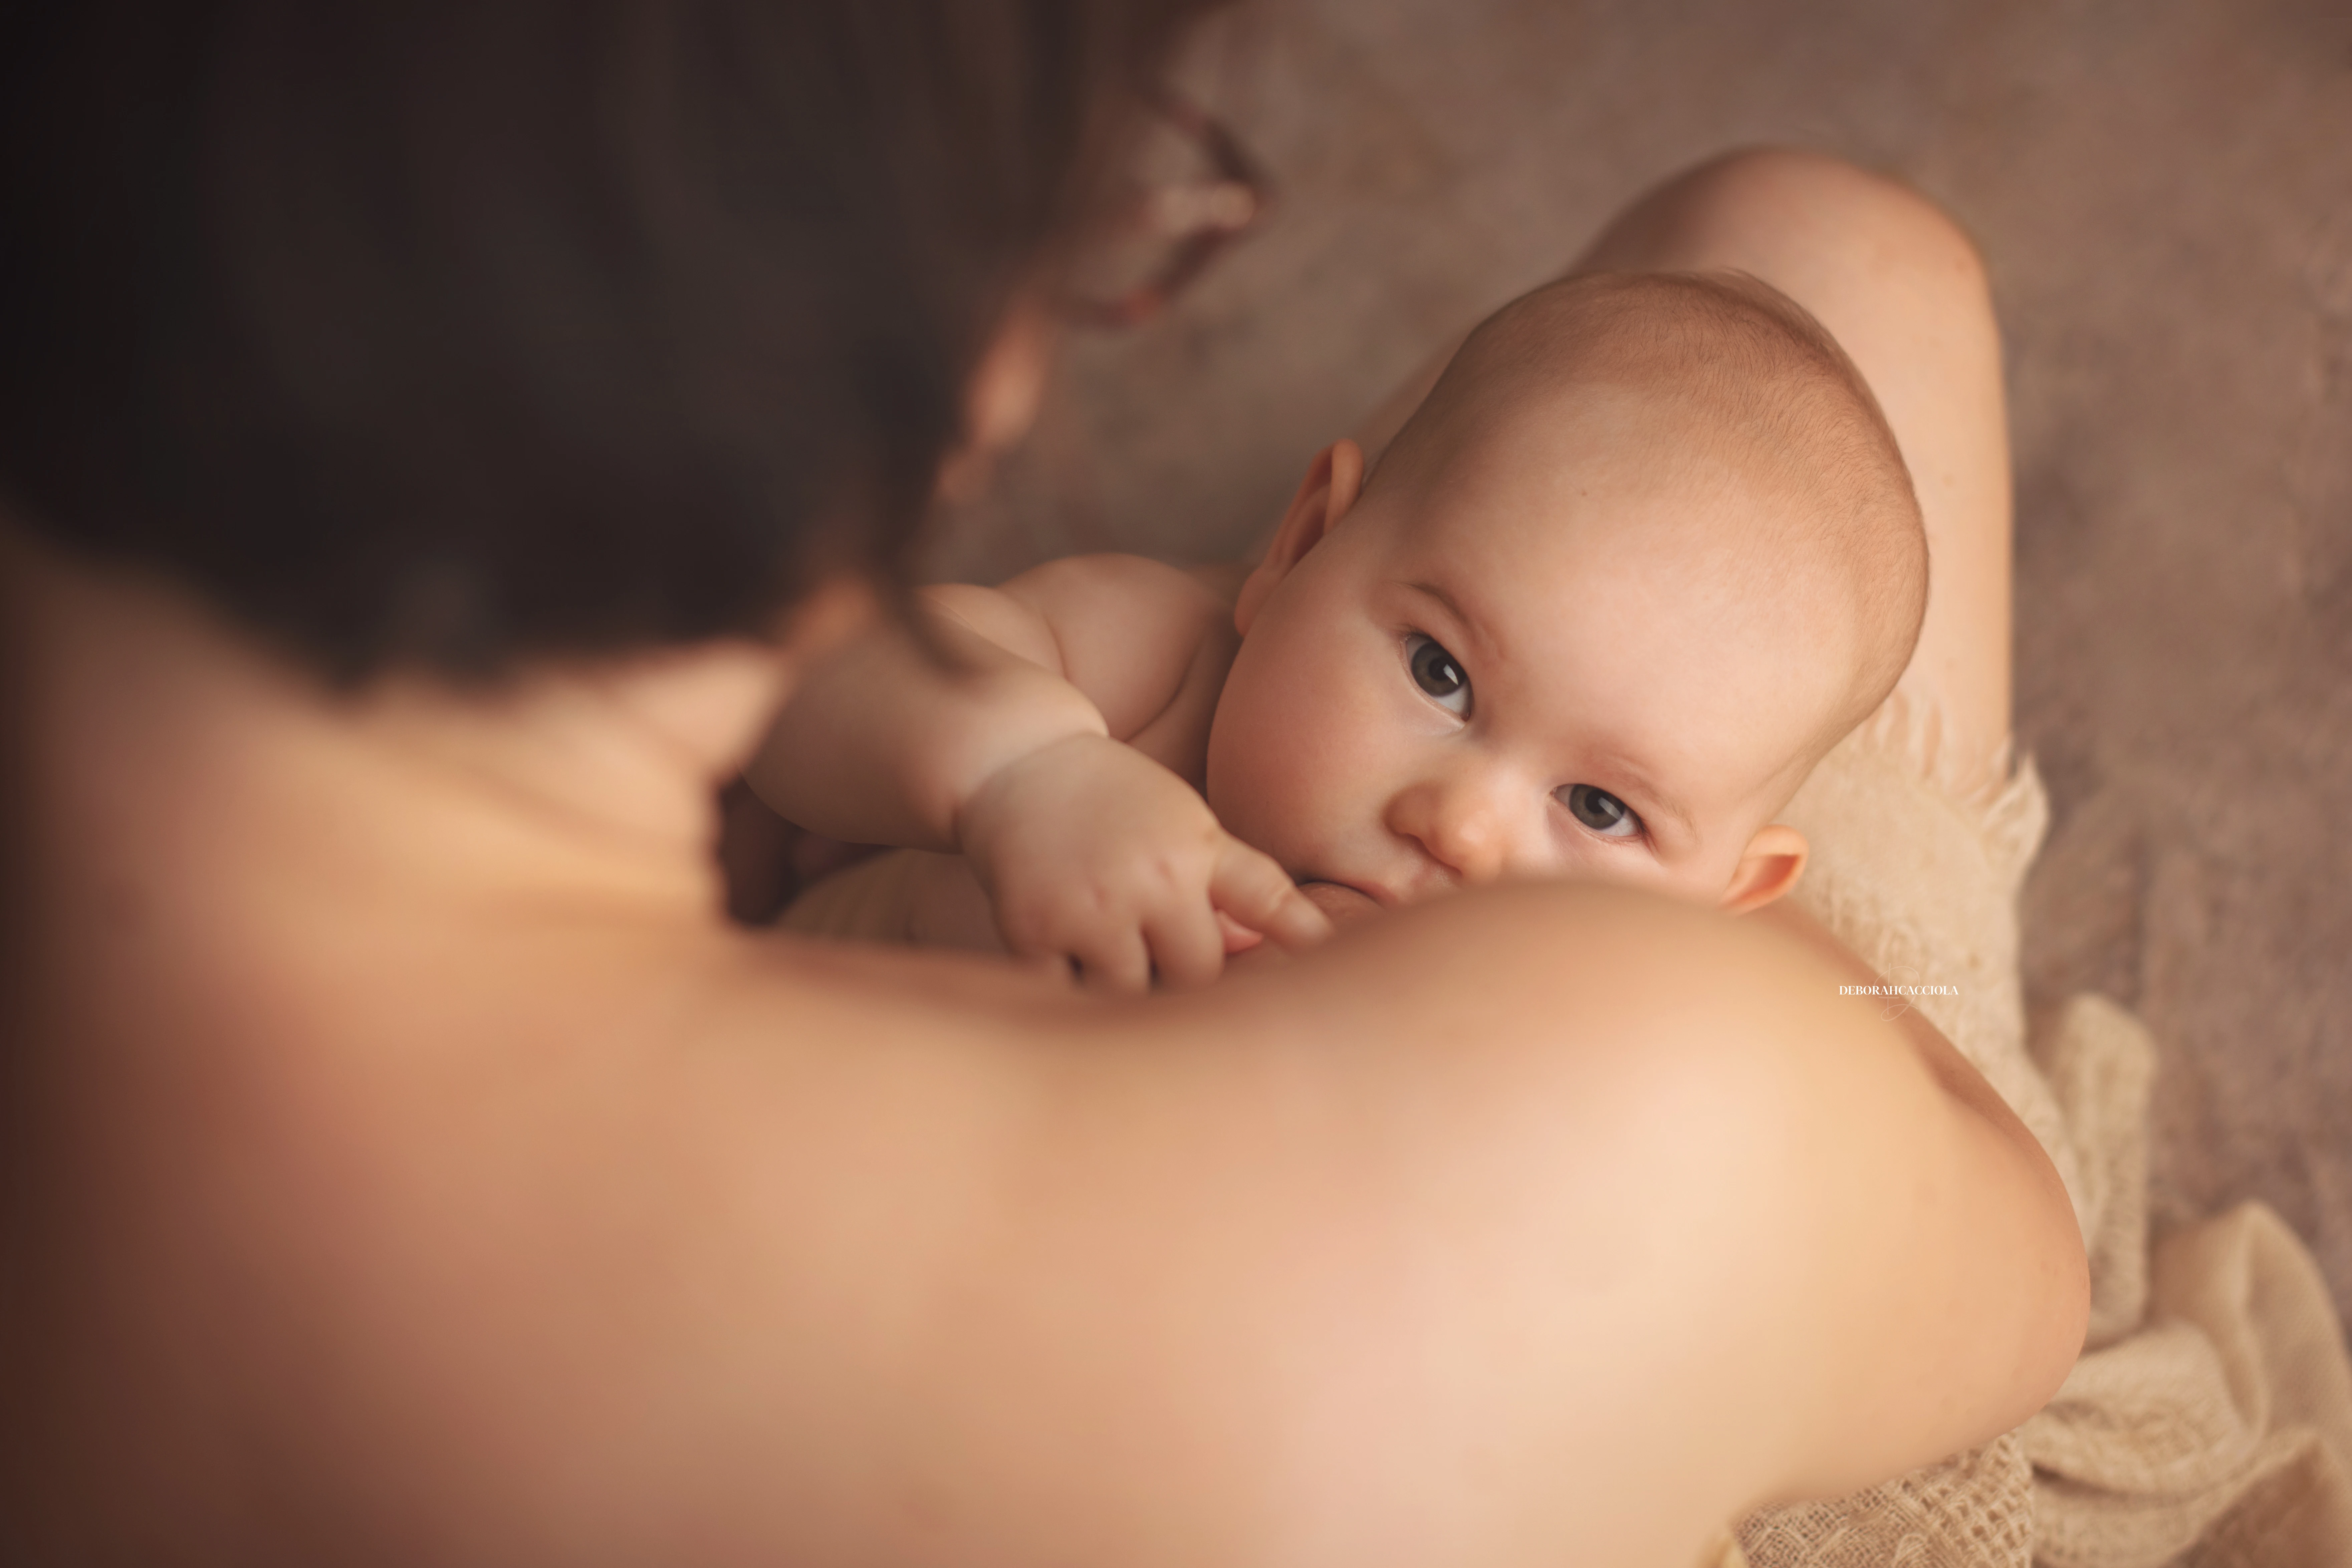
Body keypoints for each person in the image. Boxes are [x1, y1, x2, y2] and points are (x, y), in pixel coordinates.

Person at [0, 5, 2084, 1566]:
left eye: (1594, 810)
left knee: (1735, 336)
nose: (1461, 824)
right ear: (981, 365)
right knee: (1838, 247)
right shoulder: (1624, 1111)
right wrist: (1763, 993)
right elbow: (2021, 1259)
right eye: (1116, 211)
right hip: (1699, 1149)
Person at [749, 268, 1927, 986]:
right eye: (1440, 674)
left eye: (1601, 810)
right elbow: (810, 678)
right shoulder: (1155, 669)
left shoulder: (1567, 1040)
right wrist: (1019, 774)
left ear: (1723, 903)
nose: (1459, 830)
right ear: (1301, 545)